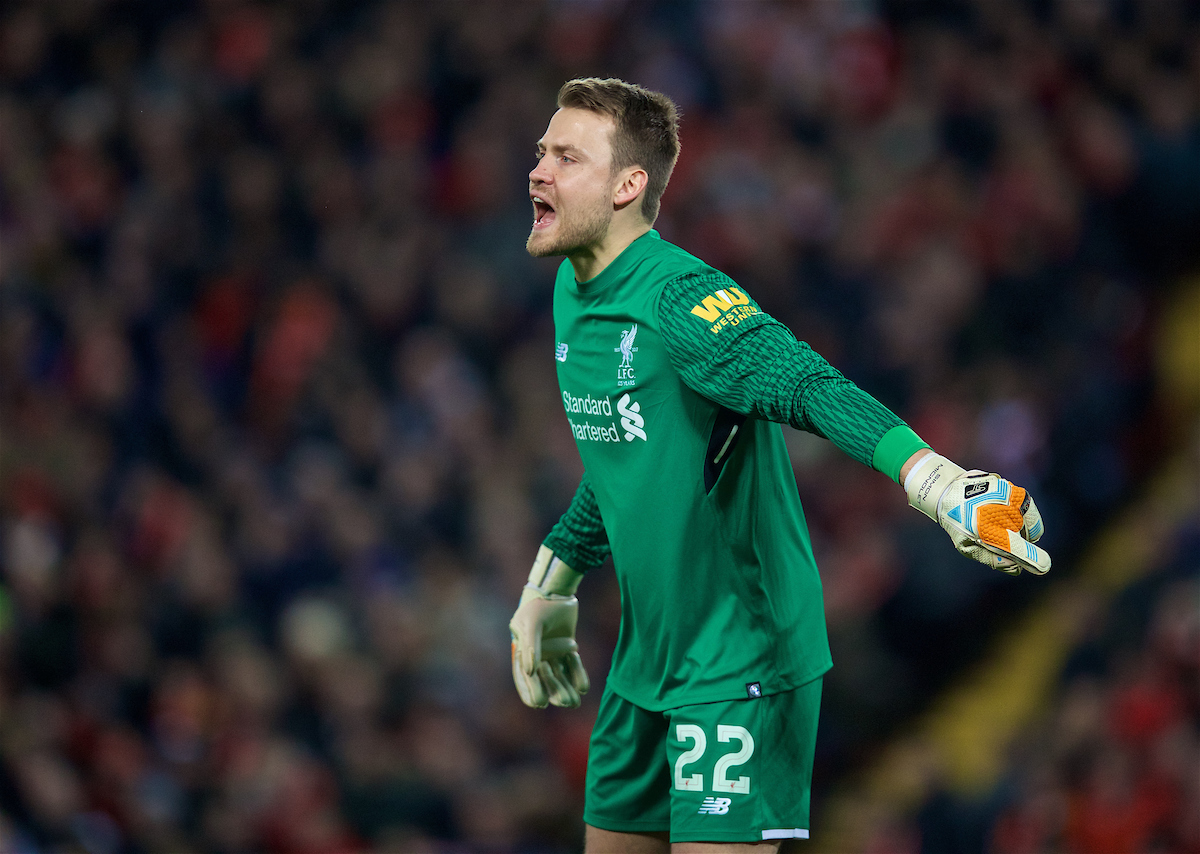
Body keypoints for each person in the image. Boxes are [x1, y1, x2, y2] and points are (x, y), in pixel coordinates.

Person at [508, 78, 1051, 853]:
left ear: (629, 186)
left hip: (739, 655)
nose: (538, 171)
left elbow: (804, 382)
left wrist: (932, 481)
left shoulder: (683, 300)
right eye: (540, 152)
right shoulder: (573, 287)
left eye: (566, 156)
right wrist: (552, 578)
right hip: (646, 655)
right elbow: (629, 456)